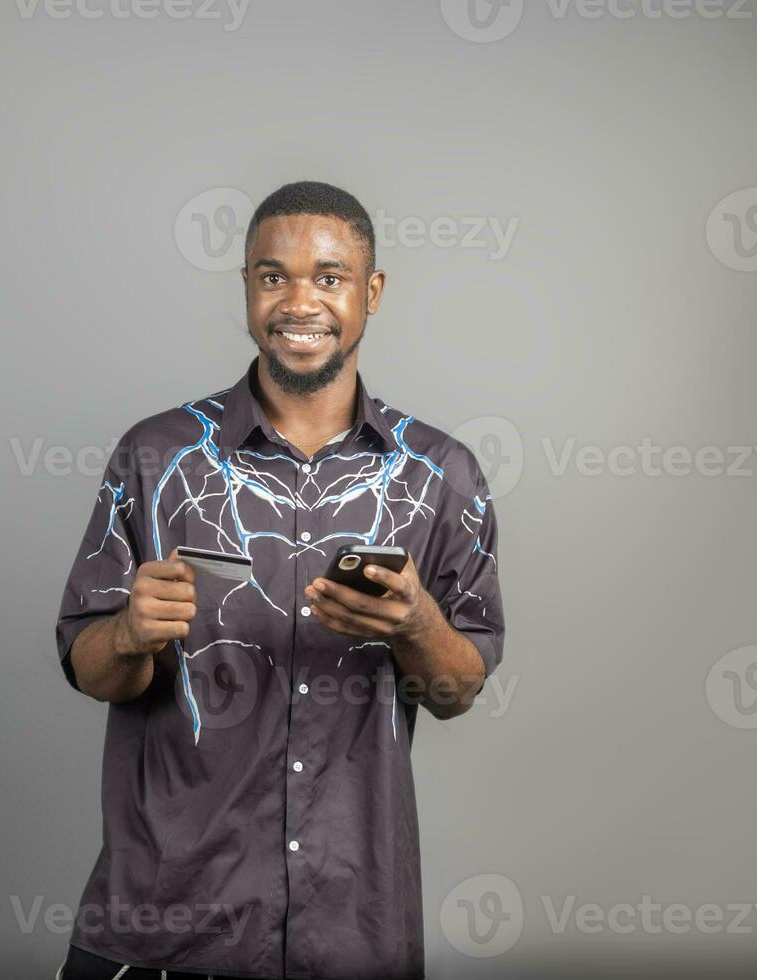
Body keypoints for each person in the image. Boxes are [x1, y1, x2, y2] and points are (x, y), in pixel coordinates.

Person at [53, 181, 506, 980]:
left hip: (352, 924)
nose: (301, 301)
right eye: (274, 276)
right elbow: (92, 671)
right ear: (247, 289)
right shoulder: (156, 459)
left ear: (371, 292)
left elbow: (456, 690)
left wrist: (414, 626)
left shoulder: (440, 474)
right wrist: (127, 634)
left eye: (329, 277)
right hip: (165, 922)